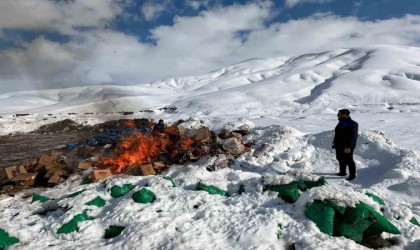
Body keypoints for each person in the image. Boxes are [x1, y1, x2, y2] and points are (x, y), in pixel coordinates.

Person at [332, 109, 358, 181]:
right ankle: (342, 172)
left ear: (344, 115)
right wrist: (334, 142)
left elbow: (353, 136)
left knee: (349, 160)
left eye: (339, 114)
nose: (338, 115)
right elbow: (337, 134)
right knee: (340, 158)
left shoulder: (352, 123)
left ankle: (352, 175)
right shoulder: (340, 123)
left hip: (347, 146)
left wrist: (348, 146)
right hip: (339, 144)